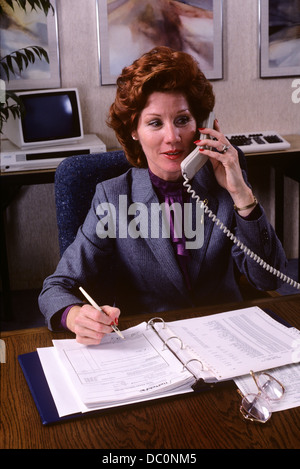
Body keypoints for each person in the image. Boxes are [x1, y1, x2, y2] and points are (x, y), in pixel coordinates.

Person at [39, 46, 287, 345]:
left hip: (227, 337)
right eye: (155, 123)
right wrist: (75, 315)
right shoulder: (114, 196)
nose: (172, 137)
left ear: (202, 125)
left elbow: (268, 279)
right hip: (152, 345)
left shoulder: (224, 187)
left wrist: (240, 192)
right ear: (134, 130)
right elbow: (56, 287)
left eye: (182, 120)